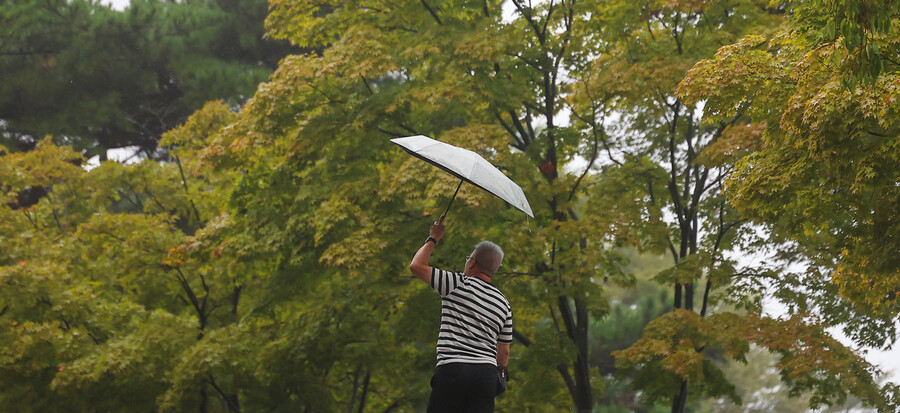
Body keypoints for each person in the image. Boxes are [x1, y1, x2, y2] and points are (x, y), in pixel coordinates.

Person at [408, 219, 513, 413]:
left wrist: (434, 237)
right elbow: (504, 352)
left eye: (468, 258)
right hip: (486, 376)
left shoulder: (457, 283)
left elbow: (416, 266)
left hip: (453, 369)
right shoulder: (503, 303)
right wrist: (498, 377)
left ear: (473, 262)